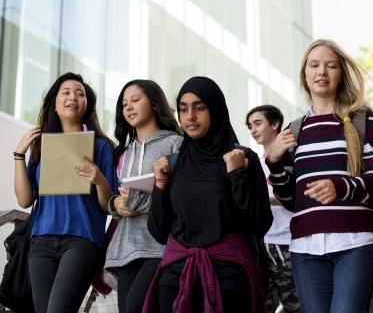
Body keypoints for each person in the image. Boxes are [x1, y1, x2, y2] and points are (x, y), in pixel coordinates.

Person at [265, 39, 373, 313]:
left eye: (330, 66)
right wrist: (274, 163)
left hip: (355, 242)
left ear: (340, 74)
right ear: (305, 74)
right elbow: (290, 200)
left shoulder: (363, 120)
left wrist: (339, 186)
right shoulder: (295, 130)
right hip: (305, 249)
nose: (322, 72)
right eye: (314, 66)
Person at [143, 76, 272, 312]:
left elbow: (260, 223)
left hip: (229, 278)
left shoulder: (242, 158)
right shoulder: (173, 163)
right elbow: (159, 232)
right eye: (183, 109)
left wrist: (236, 176)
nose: (190, 116)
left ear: (215, 109)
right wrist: (160, 185)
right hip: (175, 278)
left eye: (199, 108)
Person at [13, 72, 118, 313]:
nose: (73, 97)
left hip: (81, 241)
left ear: (87, 104)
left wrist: (100, 181)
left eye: (80, 94)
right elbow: (25, 199)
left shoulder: (101, 146)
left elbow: (107, 206)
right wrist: (19, 154)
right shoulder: (42, 144)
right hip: (41, 241)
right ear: (54, 102)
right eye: (66, 92)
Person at [105, 79, 182, 313]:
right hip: (126, 247)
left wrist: (137, 199)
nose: (128, 107)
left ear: (155, 103)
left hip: (160, 245)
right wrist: (115, 203)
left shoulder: (176, 143)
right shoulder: (124, 153)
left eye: (135, 100)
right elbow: (116, 199)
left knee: (136, 306)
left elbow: (180, 196)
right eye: (124, 103)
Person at [246, 104, 301, 313]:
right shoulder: (254, 163)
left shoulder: (292, 158)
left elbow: (295, 195)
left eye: (258, 123)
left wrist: (263, 199)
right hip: (263, 245)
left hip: (288, 241)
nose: (253, 130)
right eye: (250, 125)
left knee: (295, 306)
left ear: (275, 124)